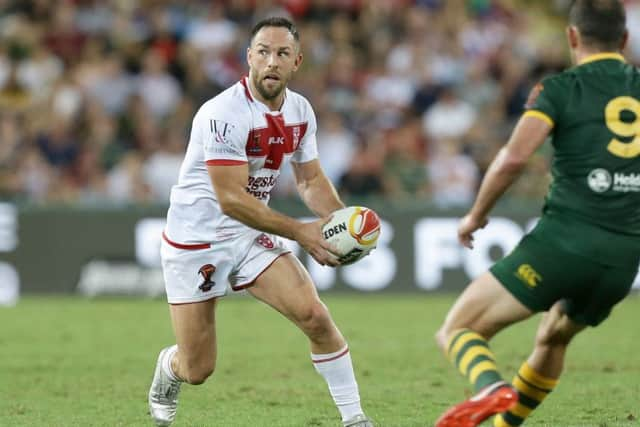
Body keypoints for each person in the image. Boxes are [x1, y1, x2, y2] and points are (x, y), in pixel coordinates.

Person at [147, 17, 374, 427]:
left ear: (296, 62)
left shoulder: (301, 111)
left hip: (250, 235)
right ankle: (170, 366)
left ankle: (354, 418)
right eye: (264, 52)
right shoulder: (221, 113)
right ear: (249, 57)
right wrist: (302, 231)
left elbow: (310, 180)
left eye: (282, 53)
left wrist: (341, 222)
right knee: (198, 368)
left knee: (316, 316)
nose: (272, 61)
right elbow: (231, 199)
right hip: (197, 240)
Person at [432, 1, 639, 426]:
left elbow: (513, 158)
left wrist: (475, 215)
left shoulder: (559, 89)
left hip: (564, 241)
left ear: (572, 37)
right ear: (624, 40)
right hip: (623, 258)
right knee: (553, 338)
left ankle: (491, 388)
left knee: (458, 330)